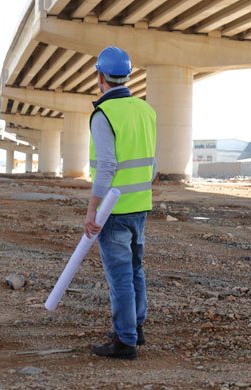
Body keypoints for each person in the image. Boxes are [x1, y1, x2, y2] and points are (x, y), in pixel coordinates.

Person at [83, 46, 156, 360]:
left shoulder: (104, 114)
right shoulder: (146, 110)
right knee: (135, 270)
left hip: (113, 210)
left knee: (120, 276)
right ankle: (136, 327)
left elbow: (107, 167)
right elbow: (153, 164)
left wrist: (92, 210)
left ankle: (125, 341)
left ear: (101, 77)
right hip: (140, 205)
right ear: (127, 76)